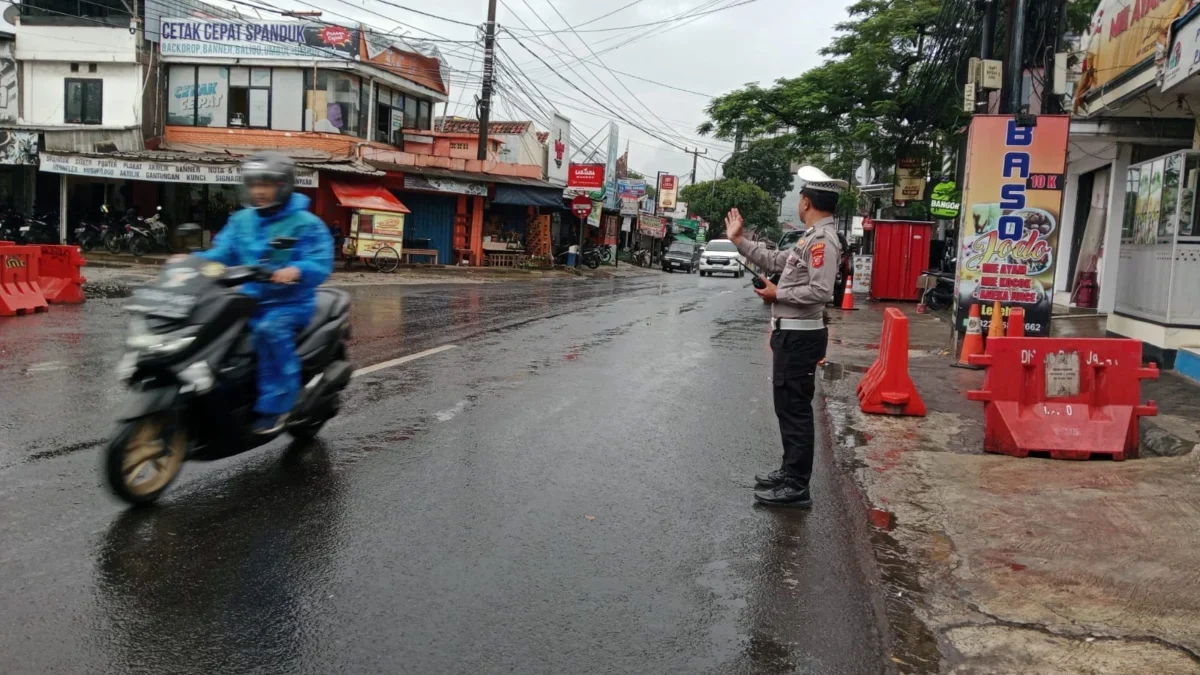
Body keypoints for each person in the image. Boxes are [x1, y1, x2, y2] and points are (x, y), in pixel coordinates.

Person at [726, 165, 845, 508]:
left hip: (800, 338)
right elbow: (777, 259)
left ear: (806, 202)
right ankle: (789, 470)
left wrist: (778, 295)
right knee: (787, 407)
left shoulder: (823, 241)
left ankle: (797, 486)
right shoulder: (809, 238)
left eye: (800, 198)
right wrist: (738, 240)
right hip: (791, 336)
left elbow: (821, 292)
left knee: (794, 410)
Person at [199, 152, 334, 435]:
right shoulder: (241, 220)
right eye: (253, 184)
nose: (259, 191)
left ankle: (280, 404)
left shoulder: (305, 223)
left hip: (290, 303)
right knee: (213, 330)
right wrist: (194, 261)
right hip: (248, 299)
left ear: (283, 185)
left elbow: (320, 261)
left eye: (267, 184)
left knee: (269, 330)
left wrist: (296, 270)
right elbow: (222, 252)